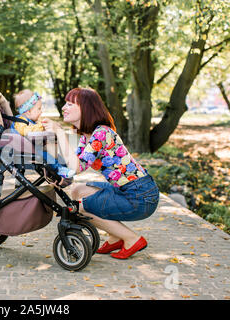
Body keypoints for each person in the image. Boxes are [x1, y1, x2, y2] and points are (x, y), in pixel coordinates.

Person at [41, 87, 160, 259]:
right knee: (77, 191)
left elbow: (74, 167)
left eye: (69, 104)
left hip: (140, 196)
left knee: (80, 207)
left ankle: (132, 239)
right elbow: (76, 167)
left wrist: (60, 132)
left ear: (85, 107)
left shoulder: (101, 133)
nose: (63, 108)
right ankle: (115, 236)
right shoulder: (86, 136)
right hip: (127, 190)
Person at [11, 89, 75, 179]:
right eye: (39, 109)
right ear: (28, 111)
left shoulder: (32, 121)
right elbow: (26, 132)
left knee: (53, 152)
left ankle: (65, 167)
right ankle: (59, 169)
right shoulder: (19, 121)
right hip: (23, 149)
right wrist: (41, 126)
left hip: (33, 147)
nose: (41, 111)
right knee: (45, 155)